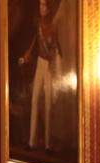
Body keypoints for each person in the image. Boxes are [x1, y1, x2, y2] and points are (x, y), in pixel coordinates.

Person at [17, 0, 62, 150]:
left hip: (49, 67)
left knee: (48, 106)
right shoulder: (38, 25)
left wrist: (56, 69)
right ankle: (32, 141)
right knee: (34, 101)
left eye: (44, 5)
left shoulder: (54, 27)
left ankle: (48, 144)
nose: (41, 8)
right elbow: (33, 43)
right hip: (39, 65)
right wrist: (25, 57)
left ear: (48, 8)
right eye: (40, 5)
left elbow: (56, 49)